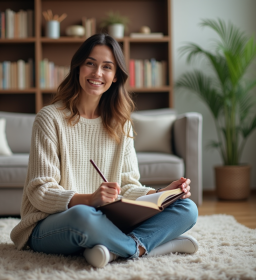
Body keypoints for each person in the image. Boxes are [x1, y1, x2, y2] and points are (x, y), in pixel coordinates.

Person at [10, 33, 198, 268]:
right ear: (78, 67)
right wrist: (89, 199)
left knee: (186, 208)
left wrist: (160, 194)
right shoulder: (49, 119)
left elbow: (128, 186)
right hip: (53, 224)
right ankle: (145, 246)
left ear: (115, 75)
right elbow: (40, 192)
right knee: (84, 215)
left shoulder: (121, 123)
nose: (97, 73)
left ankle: (112, 250)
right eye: (90, 63)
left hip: (105, 222)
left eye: (107, 67)